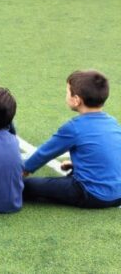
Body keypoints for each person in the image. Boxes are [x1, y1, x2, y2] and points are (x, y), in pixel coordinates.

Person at [22, 70, 121, 208]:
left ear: (76, 100)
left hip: (91, 194)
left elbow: (44, 154)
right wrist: (76, 165)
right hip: (118, 195)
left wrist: (23, 171)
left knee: (25, 186)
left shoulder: (74, 127)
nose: (66, 95)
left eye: (67, 92)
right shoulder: (112, 122)